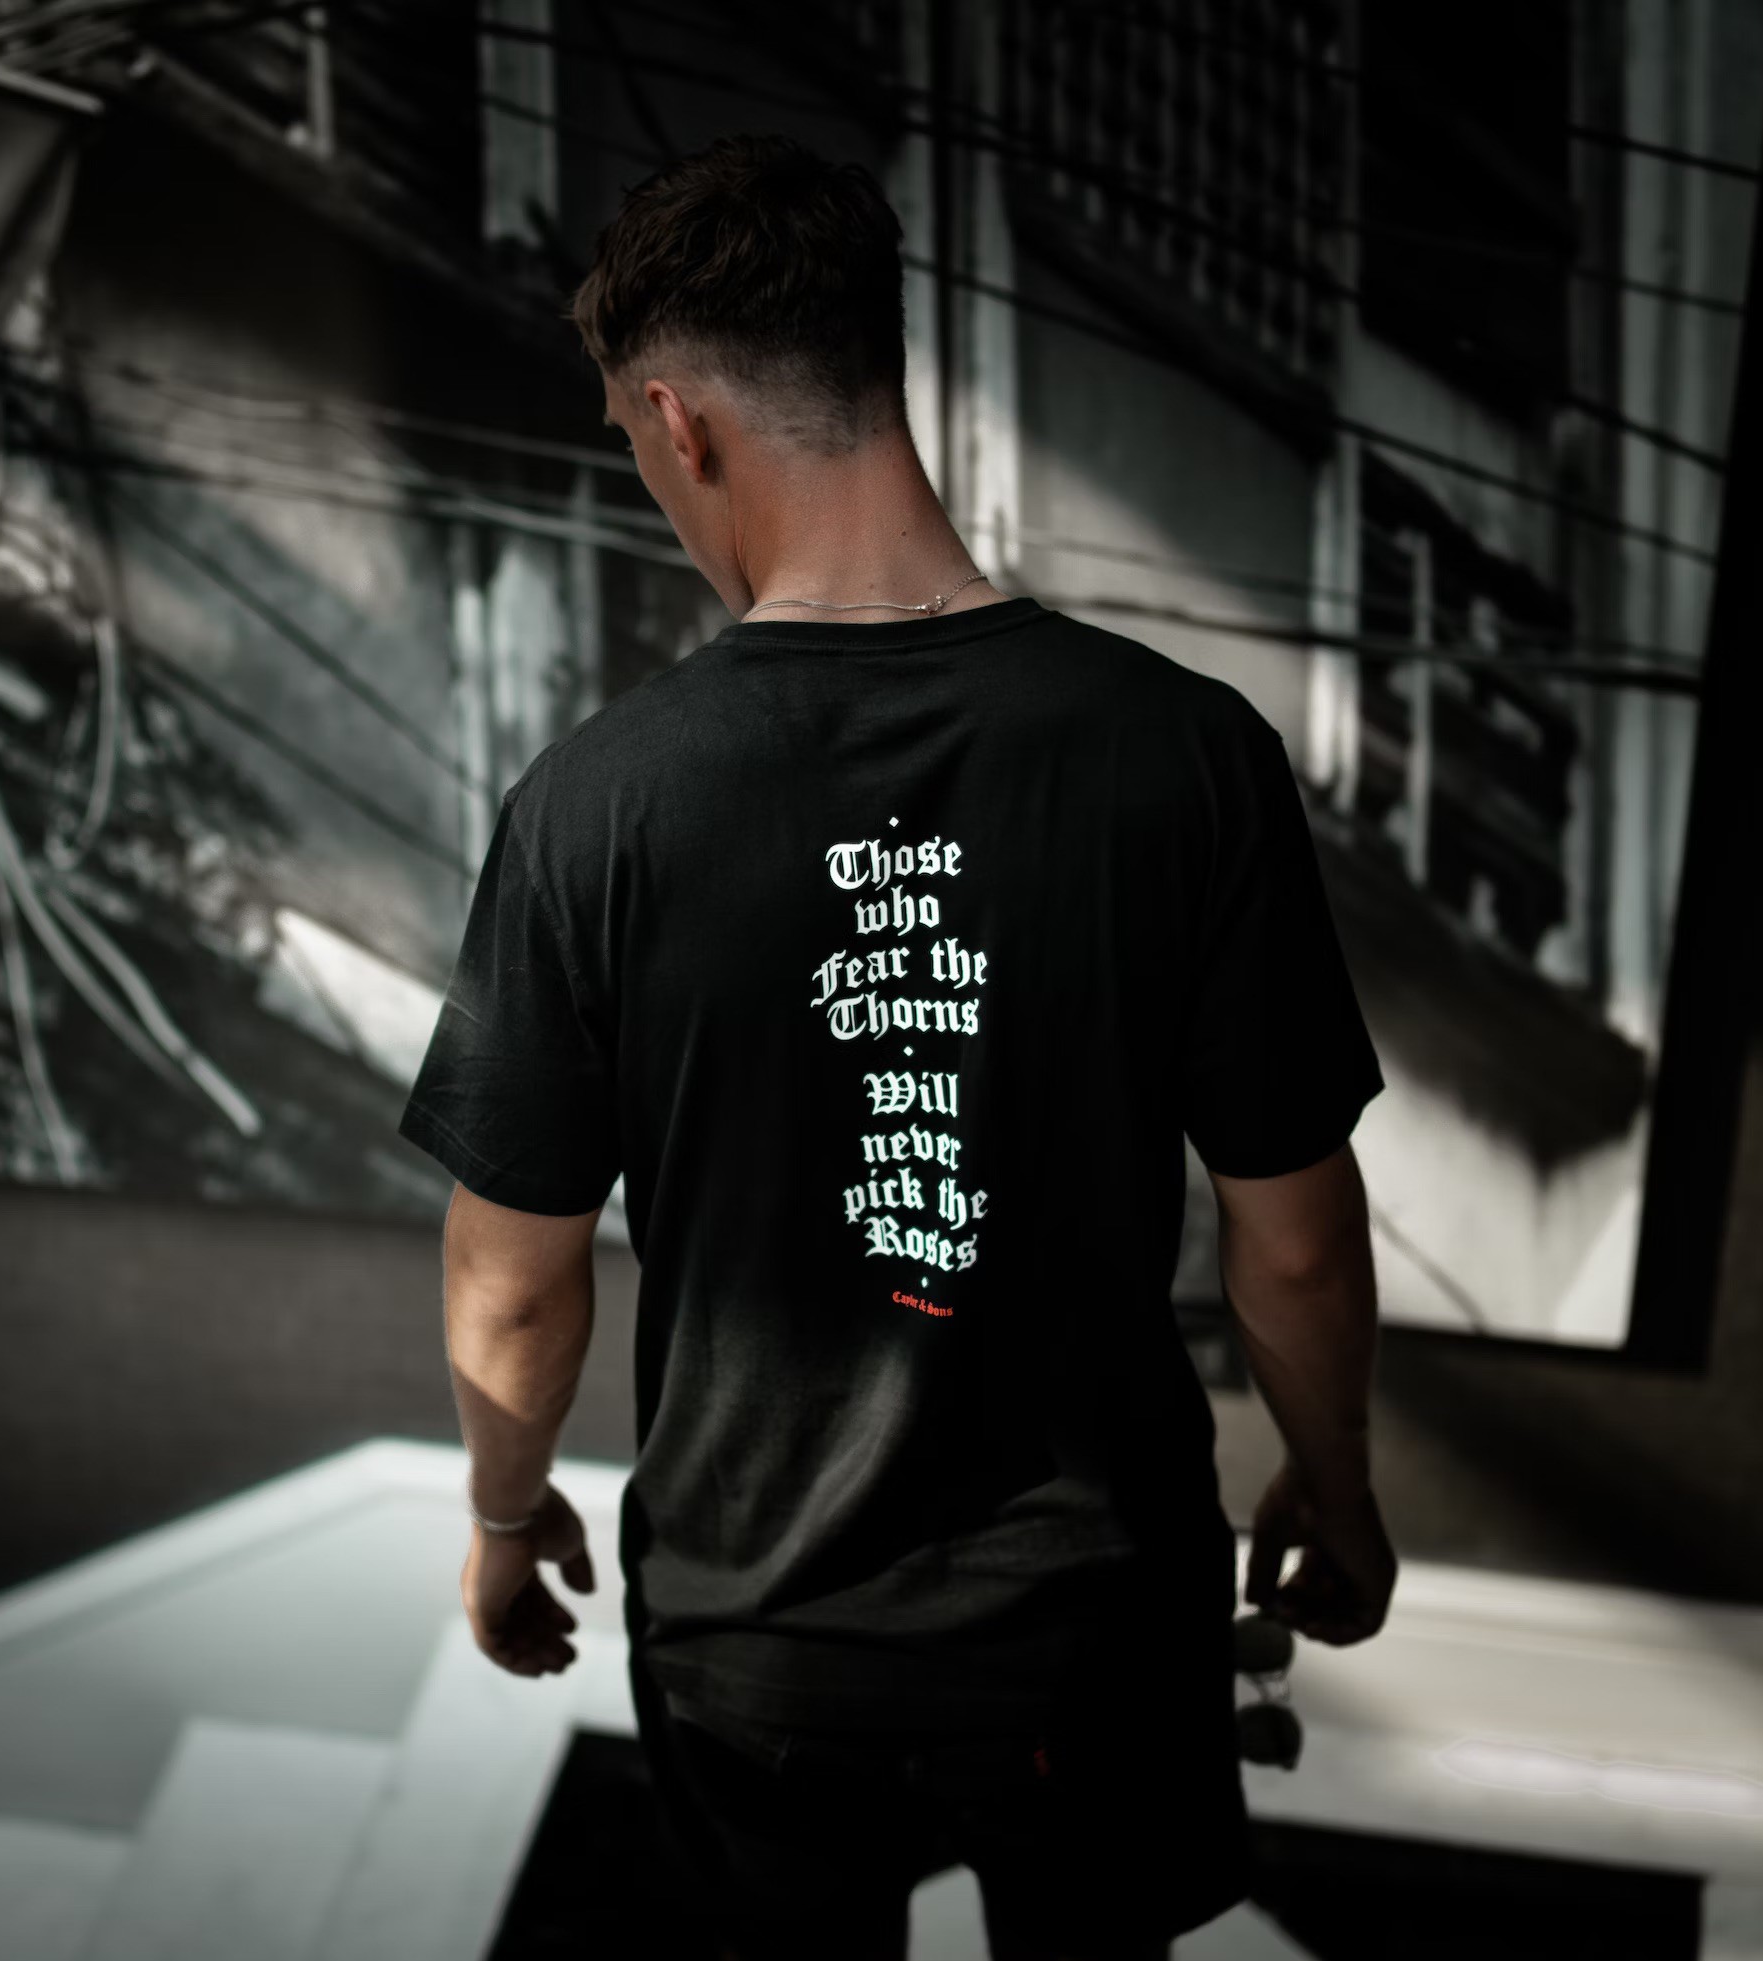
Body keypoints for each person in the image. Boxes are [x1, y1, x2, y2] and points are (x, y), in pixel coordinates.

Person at [397, 131, 1397, 1961]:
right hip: (1097, 1623)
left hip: (760, 1633)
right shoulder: (1189, 756)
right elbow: (1303, 1240)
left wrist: (505, 1509)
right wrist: (1336, 1489)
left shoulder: (594, 807)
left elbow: (512, 1284)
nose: (652, 484)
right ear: (881, 364)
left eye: (633, 447)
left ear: (679, 421)